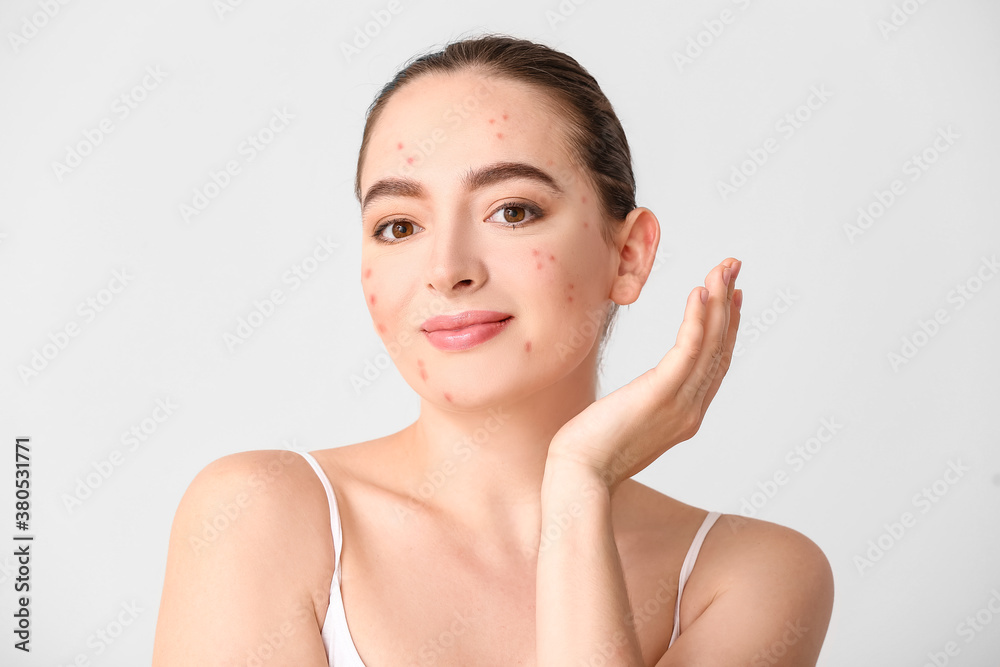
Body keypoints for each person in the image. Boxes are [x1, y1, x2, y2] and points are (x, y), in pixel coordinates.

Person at [153, 33, 834, 666]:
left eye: (512, 210)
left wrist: (578, 482)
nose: (447, 266)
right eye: (398, 225)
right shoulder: (256, 515)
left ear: (627, 255)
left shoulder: (749, 574)